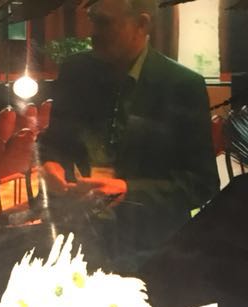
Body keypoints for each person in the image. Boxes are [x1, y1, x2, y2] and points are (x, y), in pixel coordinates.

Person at [39, 0, 218, 264]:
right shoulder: (75, 72)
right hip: (79, 239)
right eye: (93, 20)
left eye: (105, 22)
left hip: (150, 248)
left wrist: (128, 190)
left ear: (142, 24)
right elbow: (53, 142)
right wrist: (51, 165)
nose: (93, 33)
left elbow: (202, 184)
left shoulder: (182, 86)